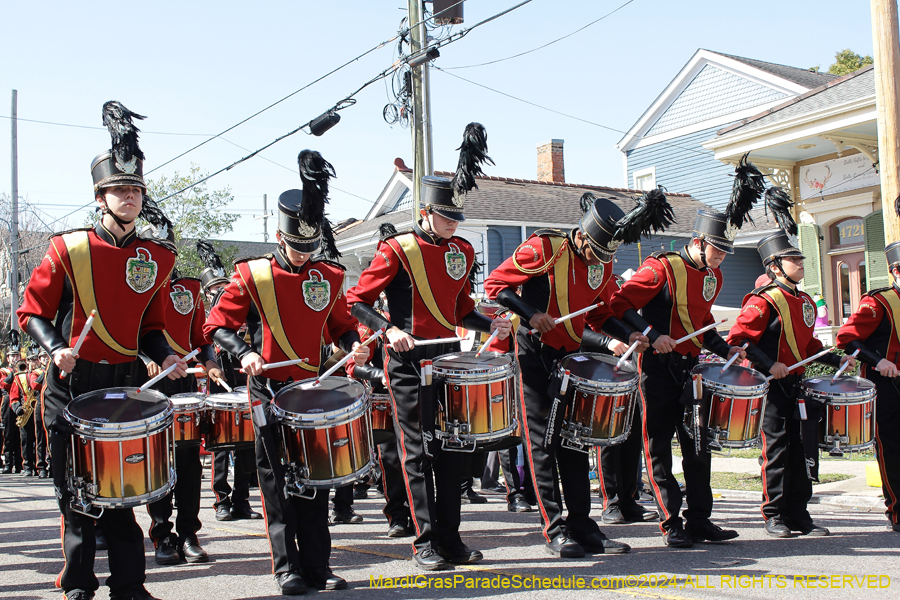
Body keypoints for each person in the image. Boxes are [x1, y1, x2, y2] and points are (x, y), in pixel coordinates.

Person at [17, 101, 187, 600]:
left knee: (123, 485)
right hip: (73, 379)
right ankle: (79, 581)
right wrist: (54, 349)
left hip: (124, 380)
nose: (129, 197)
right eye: (120, 190)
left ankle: (130, 584)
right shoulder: (67, 248)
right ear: (101, 197)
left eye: (135, 190)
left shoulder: (158, 255)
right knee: (76, 490)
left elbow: (152, 326)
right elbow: (32, 312)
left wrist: (167, 353)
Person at [347, 123, 511, 570]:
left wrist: (494, 319)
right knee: (416, 449)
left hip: (446, 358)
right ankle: (423, 541)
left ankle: (451, 537)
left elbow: (461, 310)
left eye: (458, 217)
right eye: (446, 216)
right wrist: (387, 330)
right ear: (425, 211)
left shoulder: (462, 250)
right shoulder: (396, 249)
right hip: (405, 357)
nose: (454, 224)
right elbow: (357, 301)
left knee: (453, 447)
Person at [205, 149, 369, 595]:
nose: (303, 255)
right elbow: (217, 325)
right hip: (268, 388)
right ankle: (286, 567)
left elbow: (340, 325)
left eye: (310, 247)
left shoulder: (330, 275)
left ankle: (318, 564)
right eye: (297, 247)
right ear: (280, 237)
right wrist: (243, 352)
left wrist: (355, 345)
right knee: (277, 478)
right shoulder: (251, 274)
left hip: (311, 386)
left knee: (314, 475)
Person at [484, 189, 669, 558]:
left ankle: (583, 525)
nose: (598, 262)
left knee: (574, 441)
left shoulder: (600, 262)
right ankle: (555, 528)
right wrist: (531, 312)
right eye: (594, 253)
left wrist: (628, 333)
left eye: (605, 257)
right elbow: (495, 286)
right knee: (541, 443)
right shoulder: (544, 248)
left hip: (570, 356)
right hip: (533, 353)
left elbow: (600, 313)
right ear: (582, 236)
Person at [609, 207, 748, 549]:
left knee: (698, 446)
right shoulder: (660, 268)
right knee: (658, 445)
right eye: (718, 250)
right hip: (655, 366)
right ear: (699, 242)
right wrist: (652, 334)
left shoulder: (713, 275)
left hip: (690, 368)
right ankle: (671, 522)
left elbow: (700, 326)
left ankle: (700, 519)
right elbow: (619, 304)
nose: (722, 258)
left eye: (726, 251)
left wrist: (726, 349)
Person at [729, 230, 852, 537]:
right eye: (792, 258)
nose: (800, 262)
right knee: (776, 449)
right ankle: (773, 514)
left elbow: (807, 346)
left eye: (799, 257)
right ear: (774, 266)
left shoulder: (804, 300)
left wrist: (838, 360)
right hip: (771, 384)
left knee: (800, 448)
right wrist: (770, 364)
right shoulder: (763, 301)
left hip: (796, 382)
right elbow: (739, 340)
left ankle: (799, 513)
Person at [141, 205, 224, 567]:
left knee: (189, 462)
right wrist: (146, 359)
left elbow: (200, 336)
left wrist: (209, 361)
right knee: (158, 463)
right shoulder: (135, 283)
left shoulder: (189, 289)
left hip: (186, 386)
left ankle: (189, 534)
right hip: (151, 386)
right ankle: (162, 535)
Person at [836, 240, 900, 532]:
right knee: (893, 448)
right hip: (887, 386)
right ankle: (897, 511)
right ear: (896, 271)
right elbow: (847, 339)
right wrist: (878, 361)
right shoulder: (878, 302)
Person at [197, 240, 261, 522]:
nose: (219, 290)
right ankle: (221, 500)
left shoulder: (240, 301)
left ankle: (242, 499)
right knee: (222, 442)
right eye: (214, 288)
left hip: (244, 372)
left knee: (247, 441)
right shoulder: (207, 308)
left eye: (222, 285)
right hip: (220, 373)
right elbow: (210, 337)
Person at [593, 277, 659, 525]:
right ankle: (610, 501)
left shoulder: (614, 282)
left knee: (630, 435)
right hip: (599, 361)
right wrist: (608, 341)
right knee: (607, 435)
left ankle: (630, 499)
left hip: (628, 364)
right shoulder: (589, 278)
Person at [6, 357, 41, 476]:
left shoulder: (41, 374)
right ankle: (27, 466)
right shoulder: (19, 377)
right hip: (26, 411)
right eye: (30, 361)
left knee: (40, 440)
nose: (33, 363)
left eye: (36, 360)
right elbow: (13, 396)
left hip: (40, 409)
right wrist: (17, 408)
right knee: (26, 439)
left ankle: (40, 467)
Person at [1, 337, 23, 474]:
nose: (15, 358)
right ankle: (9, 464)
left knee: (21, 435)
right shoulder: (3, 371)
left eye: (16, 355)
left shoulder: (25, 368)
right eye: (12, 356)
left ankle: (20, 464)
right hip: (8, 401)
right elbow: (4, 384)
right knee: (9, 434)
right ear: (8, 358)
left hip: (21, 401)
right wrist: (14, 372)